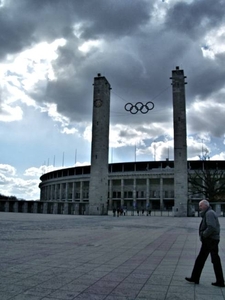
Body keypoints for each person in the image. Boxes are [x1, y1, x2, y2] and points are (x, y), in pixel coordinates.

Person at [185, 200, 224, 287]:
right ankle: (195, 277)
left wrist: (203, 234)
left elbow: (211, 227)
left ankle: (220, 281)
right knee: (202, 259)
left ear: (206, 206)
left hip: (210, 240)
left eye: (201, 206)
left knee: (212, 260)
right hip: (210, 240)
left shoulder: (209, 213)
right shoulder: (209, 212)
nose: (200, 208)